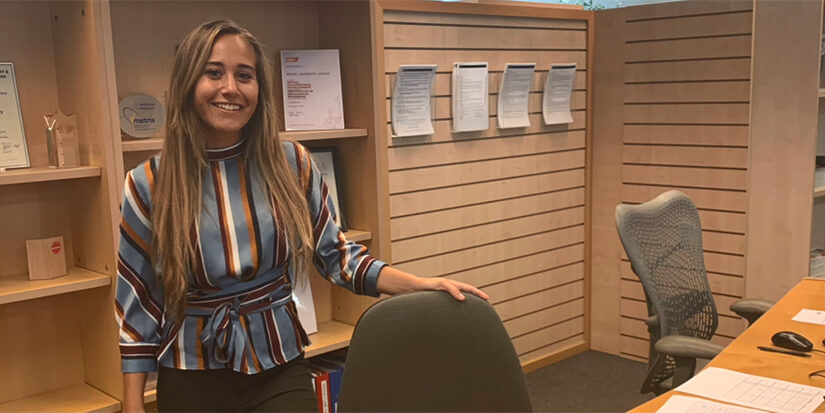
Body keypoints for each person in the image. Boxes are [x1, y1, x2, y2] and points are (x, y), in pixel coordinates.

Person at [115, 19, 488, 413]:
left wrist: (419, 285)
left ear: (259, 89)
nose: (231, 88)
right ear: (187, 83)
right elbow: (138, 301)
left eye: (245, 75)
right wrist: (133, 404)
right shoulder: (148, 183)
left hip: (279, 363)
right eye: (213, 72)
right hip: (191, 372)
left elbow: (338, 256)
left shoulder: (293, 164)